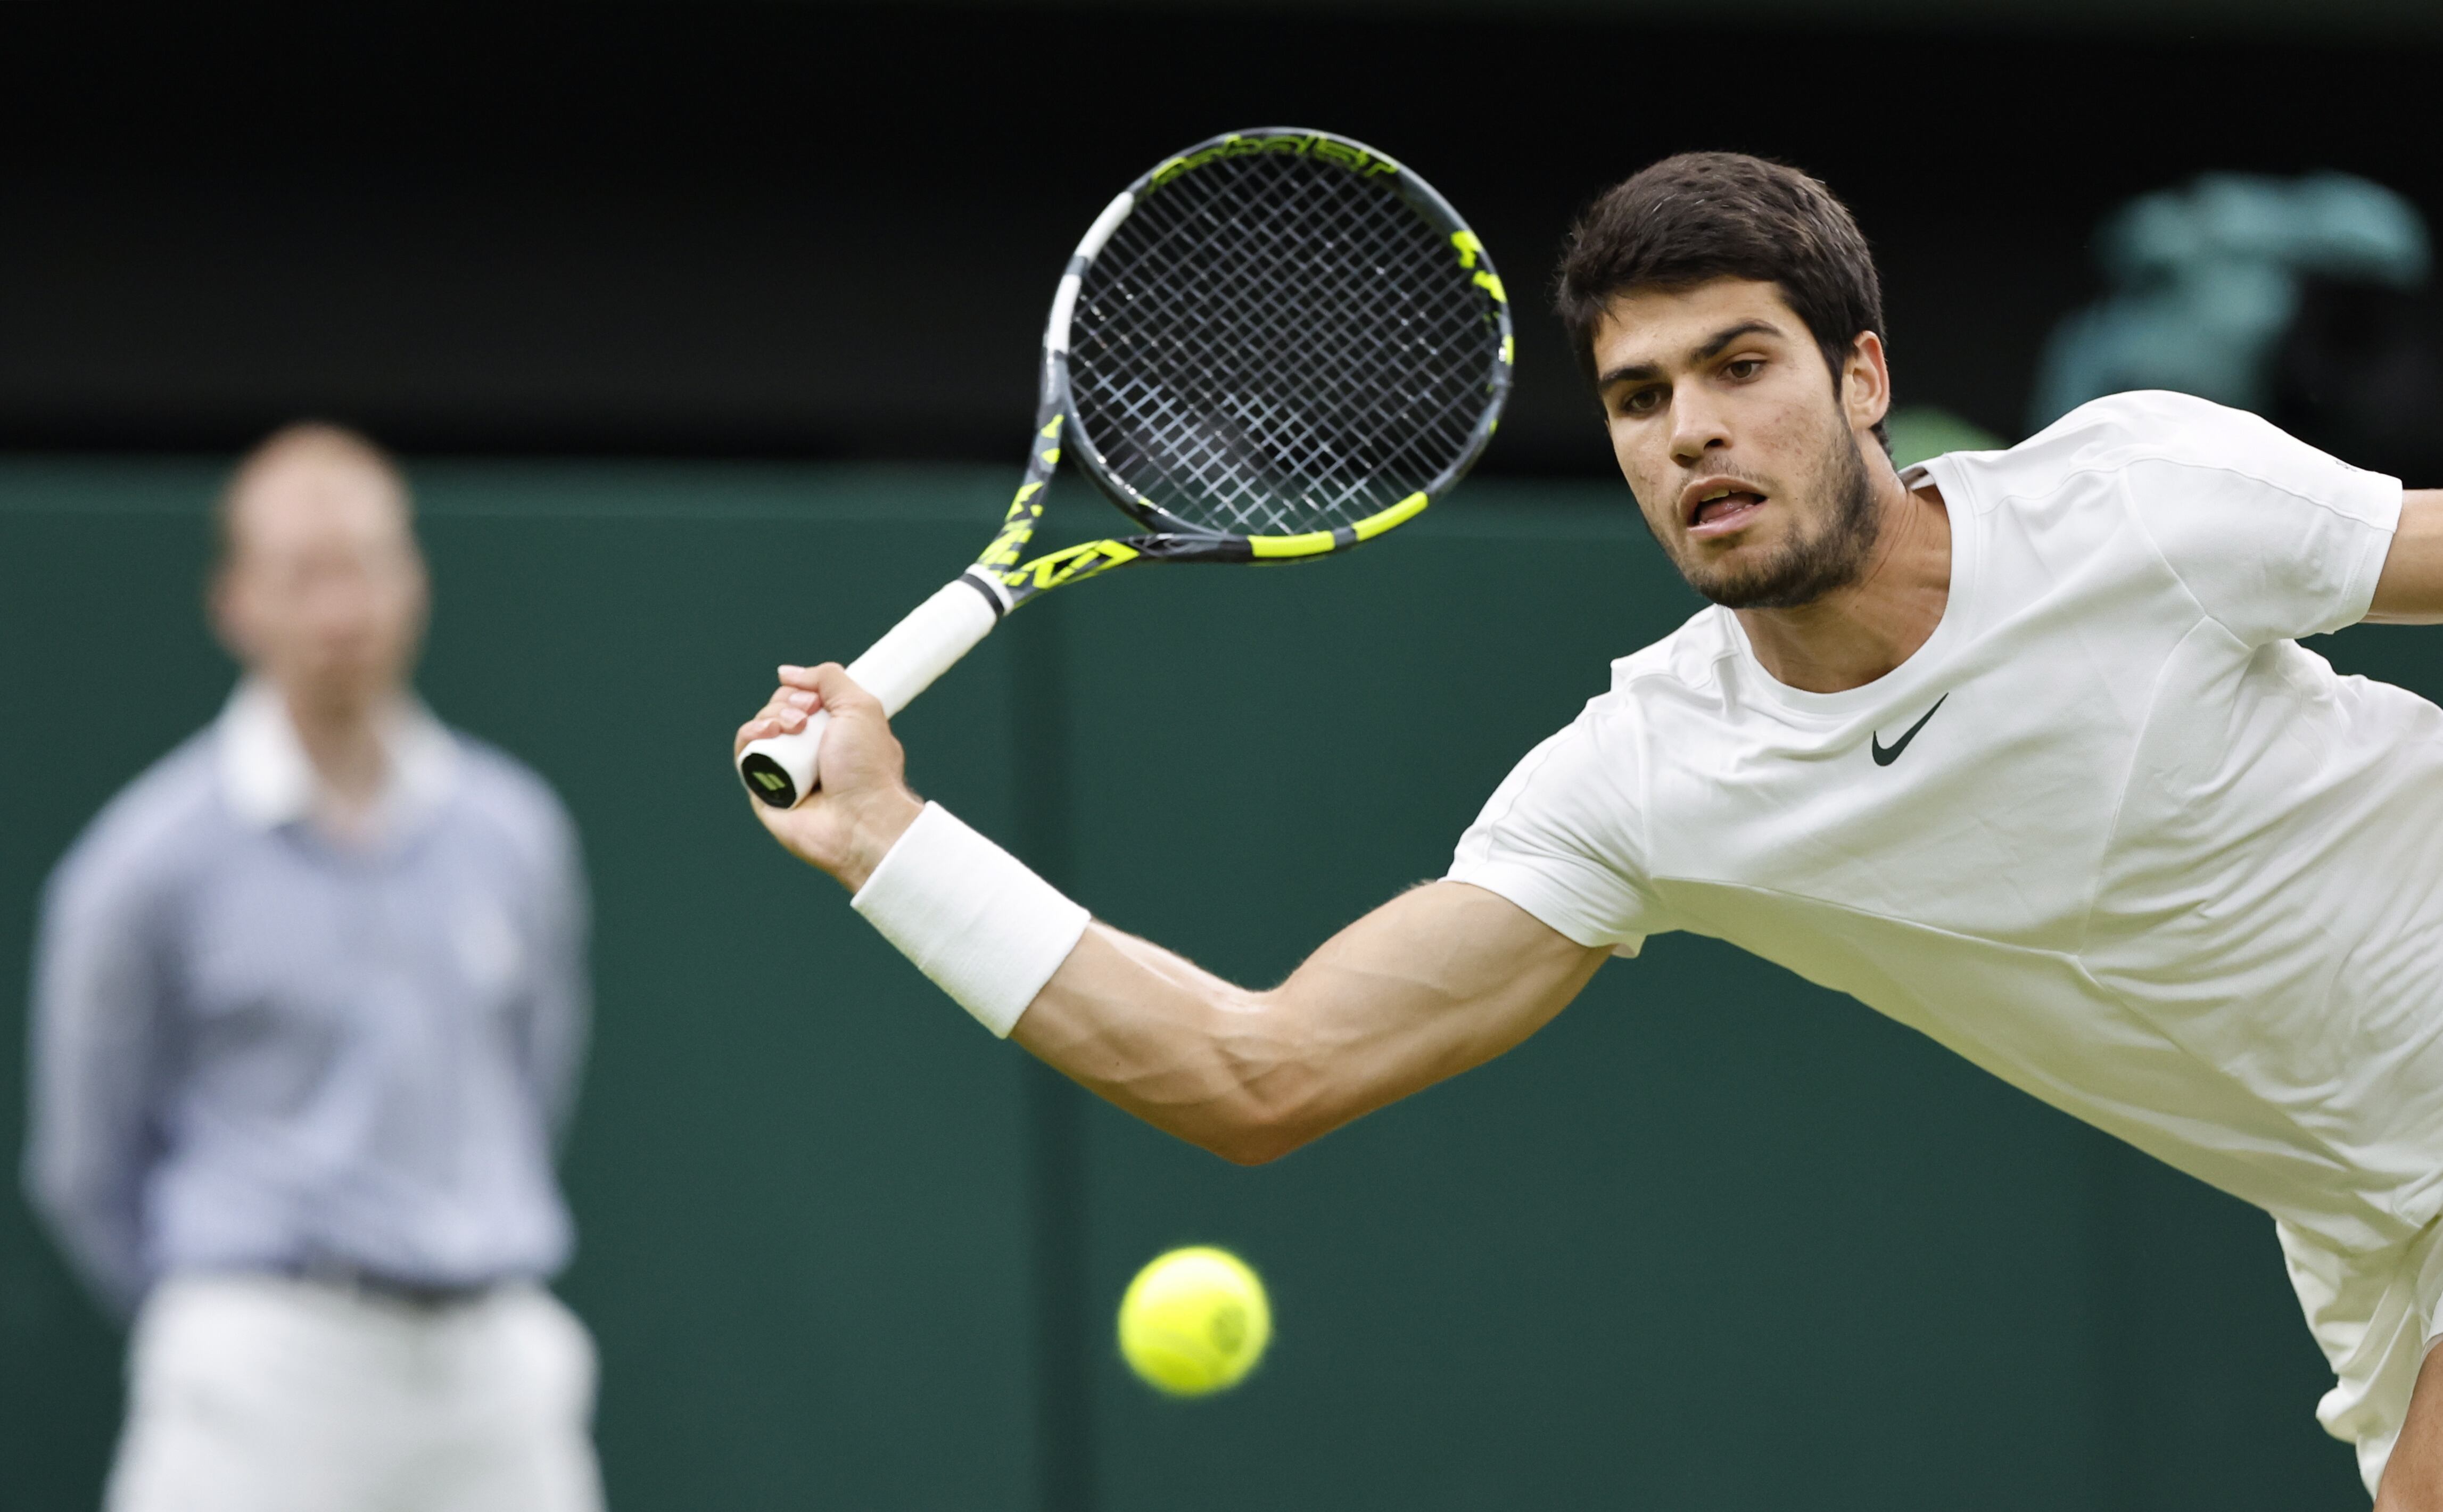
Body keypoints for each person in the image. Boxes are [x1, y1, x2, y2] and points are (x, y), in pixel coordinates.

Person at [735, 154, 2443, 1505]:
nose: (1689, 426)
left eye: (1736, 365)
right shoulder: (1646, 778)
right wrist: (890, 841)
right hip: (2378, 1232)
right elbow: (1256, 1076)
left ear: (1861, 381)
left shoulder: (2135, 500)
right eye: (1637, 398)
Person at [26, 424, 602, 1512]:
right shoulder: (143, 864)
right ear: (236, 600)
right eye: (303, 575)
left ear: (415, 580)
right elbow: (84, 1163)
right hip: (261, 1367)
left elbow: (534, 1076)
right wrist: (230, 1310)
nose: (342, 610)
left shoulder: (514, 831)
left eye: (367, 567)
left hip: (493, 1369)